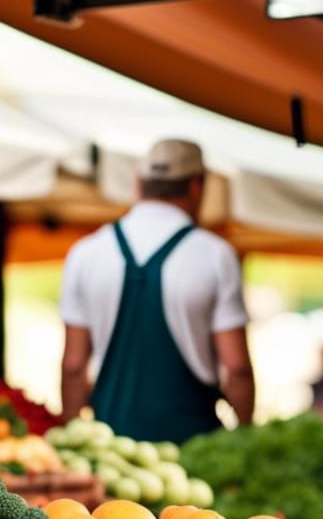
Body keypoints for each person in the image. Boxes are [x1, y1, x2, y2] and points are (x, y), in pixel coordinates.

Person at [59, 139, 254, 444]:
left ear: (138, 183)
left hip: (113, 451)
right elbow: (238, 368)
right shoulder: (216, 255)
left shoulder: (85, 253)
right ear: (196, 187)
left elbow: (73, 367)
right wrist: (244, 436)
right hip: (194, 451)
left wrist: (74, 444)